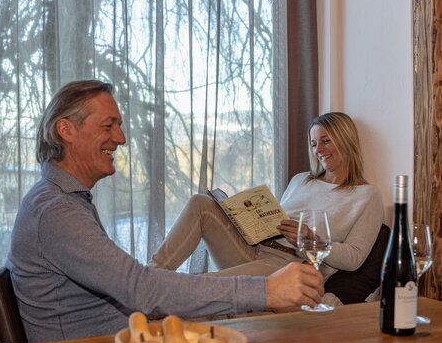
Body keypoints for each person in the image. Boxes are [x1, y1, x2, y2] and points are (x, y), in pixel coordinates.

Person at [6, 80, 323, 342]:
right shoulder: (56, 211)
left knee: (247, 328)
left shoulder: (62, 199)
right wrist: (266, 290)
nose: (121, 138)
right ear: (66, 130)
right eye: (109, 125)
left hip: (117, 339)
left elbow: (136, 288)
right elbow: (139, 289)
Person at [150, 112, 384, 305]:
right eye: (313, 144)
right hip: (256, 248)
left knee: (205, 284)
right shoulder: (301, 180)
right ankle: (146, 280)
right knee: (201, 203)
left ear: (345, 139)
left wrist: (312, 241)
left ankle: (154, 300)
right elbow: (277, 221)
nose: (318, 150)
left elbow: (354, 259)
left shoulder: (367, 196)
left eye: (325, 141)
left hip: (288, 264)